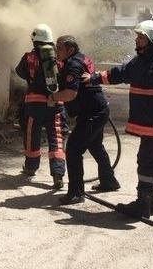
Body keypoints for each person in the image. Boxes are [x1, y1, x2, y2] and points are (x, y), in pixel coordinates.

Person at [83, 20, 153, 217]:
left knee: (146, 161)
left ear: (152, 39)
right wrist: (93, 78)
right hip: (151, 125)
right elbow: (121, 73)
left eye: (140, 37)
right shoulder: (142, 60)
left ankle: (142, 205)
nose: (136, 40)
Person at [52, 35, 120, 205]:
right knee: (96, 146)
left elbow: (71, 93)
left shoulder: (73, 64)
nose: (56, 51)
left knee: (74, 149)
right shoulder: (81, 58)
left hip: (92, 113)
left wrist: (53, 97)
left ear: (70, 49)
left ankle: (76, 193)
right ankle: (109, 181)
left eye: (59, 48)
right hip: (97, 109)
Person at [14, 24, 66, 189]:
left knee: (32, 136)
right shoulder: (58, 58)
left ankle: (30, 168)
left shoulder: (28, 57)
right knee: (56, 137)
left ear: (34, 40)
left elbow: (20, 72)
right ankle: (58, 173)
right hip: (55, 102)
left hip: (34, 104)